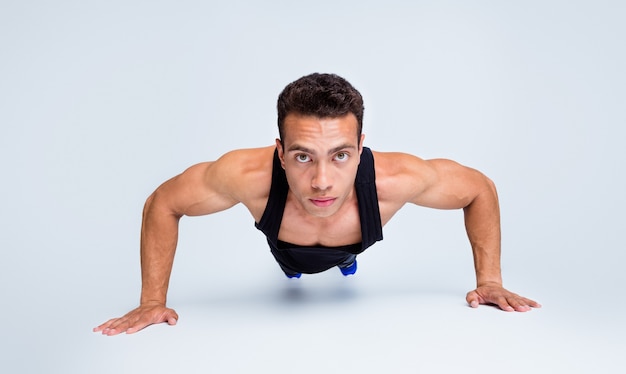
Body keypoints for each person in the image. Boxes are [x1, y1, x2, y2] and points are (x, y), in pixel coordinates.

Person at [94, 73, 540, 336]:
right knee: (291, 266)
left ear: (362, 147)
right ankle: (293, 267)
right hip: (284, 244)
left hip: (353, 242)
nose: (322, 181)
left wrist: (491, 280)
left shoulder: (399, 178)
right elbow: (163, 202)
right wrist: (152, 300)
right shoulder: (243, 175)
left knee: (346, 255)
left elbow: (479, 188)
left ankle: (346, 262)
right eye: (303, 156)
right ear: (280, 151)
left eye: (341, 155)